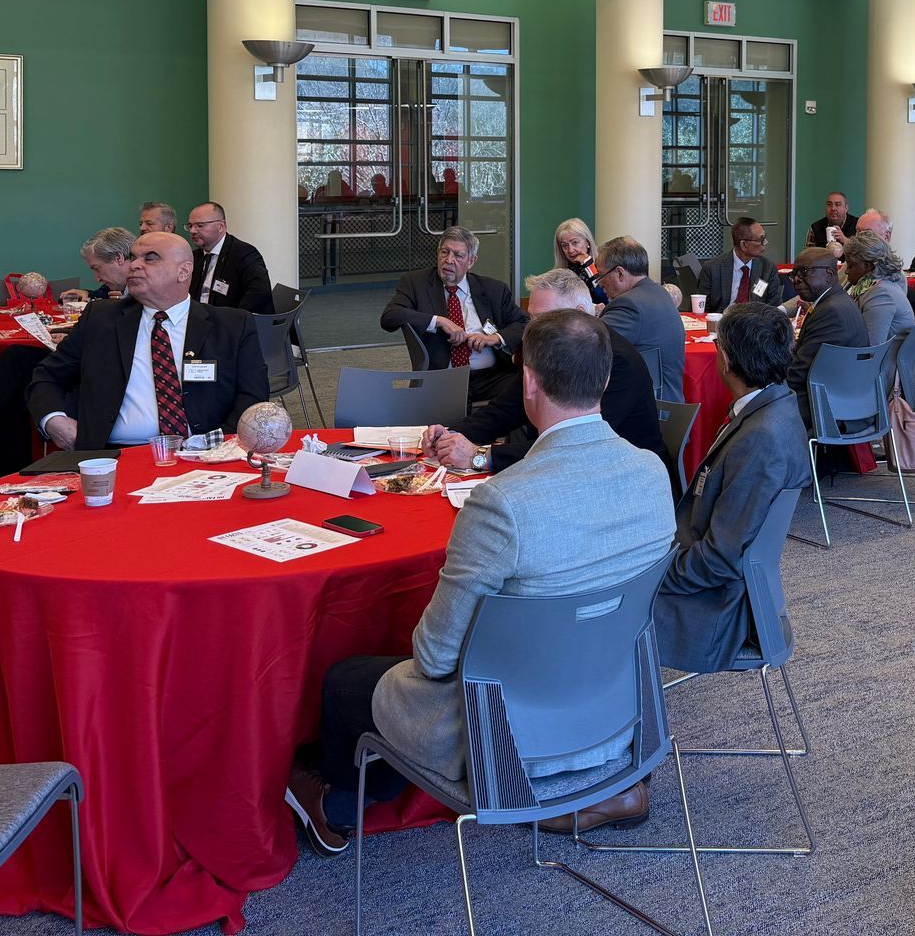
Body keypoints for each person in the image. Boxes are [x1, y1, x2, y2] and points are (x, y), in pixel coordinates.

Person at [287, 310, 676, 854]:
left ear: (530, 382)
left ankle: (334, 802)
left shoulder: (503, 502)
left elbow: (435, 658)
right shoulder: (651, 472)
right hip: (613, 714)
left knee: (346, 680)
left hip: (506, 744)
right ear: (605, 380)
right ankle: (592, 790)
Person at [655, 301, 811, 674]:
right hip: (717, 578)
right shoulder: (778, 407)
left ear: (723, 359)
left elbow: (718, 562)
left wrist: (651, 573)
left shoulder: (760, 440)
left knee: (590, 601)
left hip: (717, 609)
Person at [0, 226, 137, 482]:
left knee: (16, 366)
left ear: (120, 260)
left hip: (108, 381)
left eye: (96, 268)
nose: (97, 278)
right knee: (18, 368)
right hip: (92, 366)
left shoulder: (141, 292)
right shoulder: (118, 292)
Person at [26, 232, 267, 450]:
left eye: (150, 258)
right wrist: (55, 421)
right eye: (133, 257)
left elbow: (252, 397)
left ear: (183, 271)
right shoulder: (101, 319)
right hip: (116, 455)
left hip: (204, 455)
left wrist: (219, 447)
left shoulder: (232, 325)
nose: (135, 265)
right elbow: (46, 376)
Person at [424, 268, 667, 481]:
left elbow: (576, 445)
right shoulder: (545, 350)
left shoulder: (617, 362)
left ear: (580, 313)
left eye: (546, 319)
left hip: (624, 481)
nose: (532, 330)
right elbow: (505, 410)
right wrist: (450, 436)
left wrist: (480, 457)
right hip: (564, 472)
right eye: (532, 319)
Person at [380, 228, 528, 402]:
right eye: (445, 252)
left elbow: (524, 323)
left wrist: (495, 338)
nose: (449, 260)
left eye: (458, 256)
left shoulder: (493, 289)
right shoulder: (416, 283)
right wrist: (439, 321)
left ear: (471, 261)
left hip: (492, 375)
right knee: (458, 404)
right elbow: (390, 316)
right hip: (445, 377)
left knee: (529, 391)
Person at [785, 247, 870, 428]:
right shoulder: (835, 302)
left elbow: (798, 375)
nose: (797, 279)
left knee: (753, 403)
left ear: (829, 273)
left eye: (804, 272)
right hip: (840, 399)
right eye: (794, 273)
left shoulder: (831, 312)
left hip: (828, 407)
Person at [598, 236, 685, 402]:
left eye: (601, 275)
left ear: (620, 273)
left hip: (647, 410)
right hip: (669, 404)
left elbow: (586, 349)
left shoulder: (628, 305)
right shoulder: (659, 293)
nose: (600, 284)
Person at [184, 202, 273, 314]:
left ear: (221, 226)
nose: (193, 231)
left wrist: (231, 321)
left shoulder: (244, 253)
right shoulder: (195, 256)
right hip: (201, 319)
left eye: (200, 225)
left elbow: (259, 292)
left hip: (234, 322)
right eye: (190, 226)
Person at [695, 218, 780, 315]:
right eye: (760, 240)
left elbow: (774, 305)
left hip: (755, 323)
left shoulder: (767, 268)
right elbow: (702, 308)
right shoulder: (712, 269)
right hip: (722, 323)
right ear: (744, 245)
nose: (765, 243)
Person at [842, 232, 913, 347]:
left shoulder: (880, 295)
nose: (846, 271)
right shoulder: (876, 286)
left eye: (851, 266)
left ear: (869, 266)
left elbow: (871, 347)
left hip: (882, 362)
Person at [553, 217, 608, 305]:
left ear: (587, 242)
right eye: (564, 245)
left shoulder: (605, 267)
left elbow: (604, 299)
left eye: (575, 243)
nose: (570, 250)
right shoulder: (559, 275)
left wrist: (589, 266)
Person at [79, 226, 137, 302]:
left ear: (119, 258)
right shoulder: (119, 284)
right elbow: (104, 293)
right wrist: (87, 293)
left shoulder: (148, 293)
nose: (97, 279)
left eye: (97, 269)